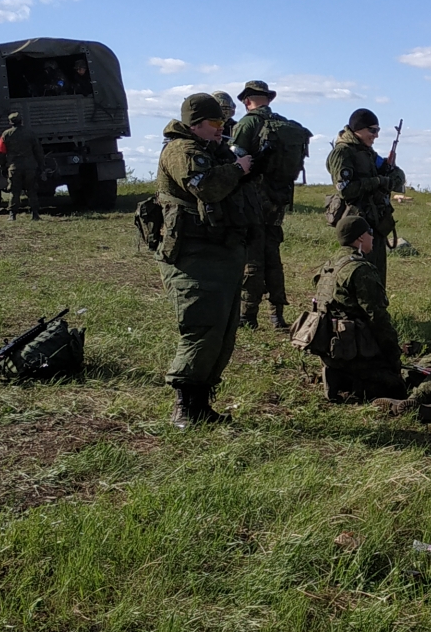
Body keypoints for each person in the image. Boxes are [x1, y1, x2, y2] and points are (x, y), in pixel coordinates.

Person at [155, 93, 259, 428]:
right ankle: (183, 408)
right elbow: (205, 187)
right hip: (191, 256)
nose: (221, 130)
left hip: (217, 253)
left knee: (222, 330)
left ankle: (201, 406)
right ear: (195, 124)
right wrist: (236, 169)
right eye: (215, 124)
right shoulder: (181, 151)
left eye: (223, 124)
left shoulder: (210, 151)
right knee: (200, 326)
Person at [232, 80, 313, 331]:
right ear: (268, 99)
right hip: (278, 198)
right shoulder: (286, 125)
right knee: (273, 256)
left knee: (253, 257)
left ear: (247, 100)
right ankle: (277, 315)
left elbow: (234, 159)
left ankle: (248, 315)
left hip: (253, 197)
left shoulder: (247, 123)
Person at [307, 214, 407, 402]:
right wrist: (393, 355)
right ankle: (354, 385)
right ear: (360, 238)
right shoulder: (360, 269)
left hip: (330, 349)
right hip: (354, 353)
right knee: (397, 387)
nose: (373, 238)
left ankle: (337, 375)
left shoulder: (328, 266)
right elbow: (378, 319)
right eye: (370, 233)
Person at [325, 108, 404, 288]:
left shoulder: (368, 152)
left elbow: (389, 171)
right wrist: (377, 181)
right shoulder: (343, 152)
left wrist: (391, 175)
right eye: (372, 130)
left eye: (378, 131)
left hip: (375, 221)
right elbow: (347, 190)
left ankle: (377, 312)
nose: (375, 136)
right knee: (360, 271)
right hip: (357, 224)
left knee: (377, 271)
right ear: (358, 129)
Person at [0, 111, 47, 221]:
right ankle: (35, 214)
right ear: (21, 121)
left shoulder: (6, 134)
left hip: (14, 167)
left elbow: (1, 151)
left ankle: (12, 215)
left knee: (14, 191)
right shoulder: (30, 133)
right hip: (30, 167)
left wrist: (2, 166)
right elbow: (38, 150)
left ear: (10, 122)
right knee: (32, 190)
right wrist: (41, 165)